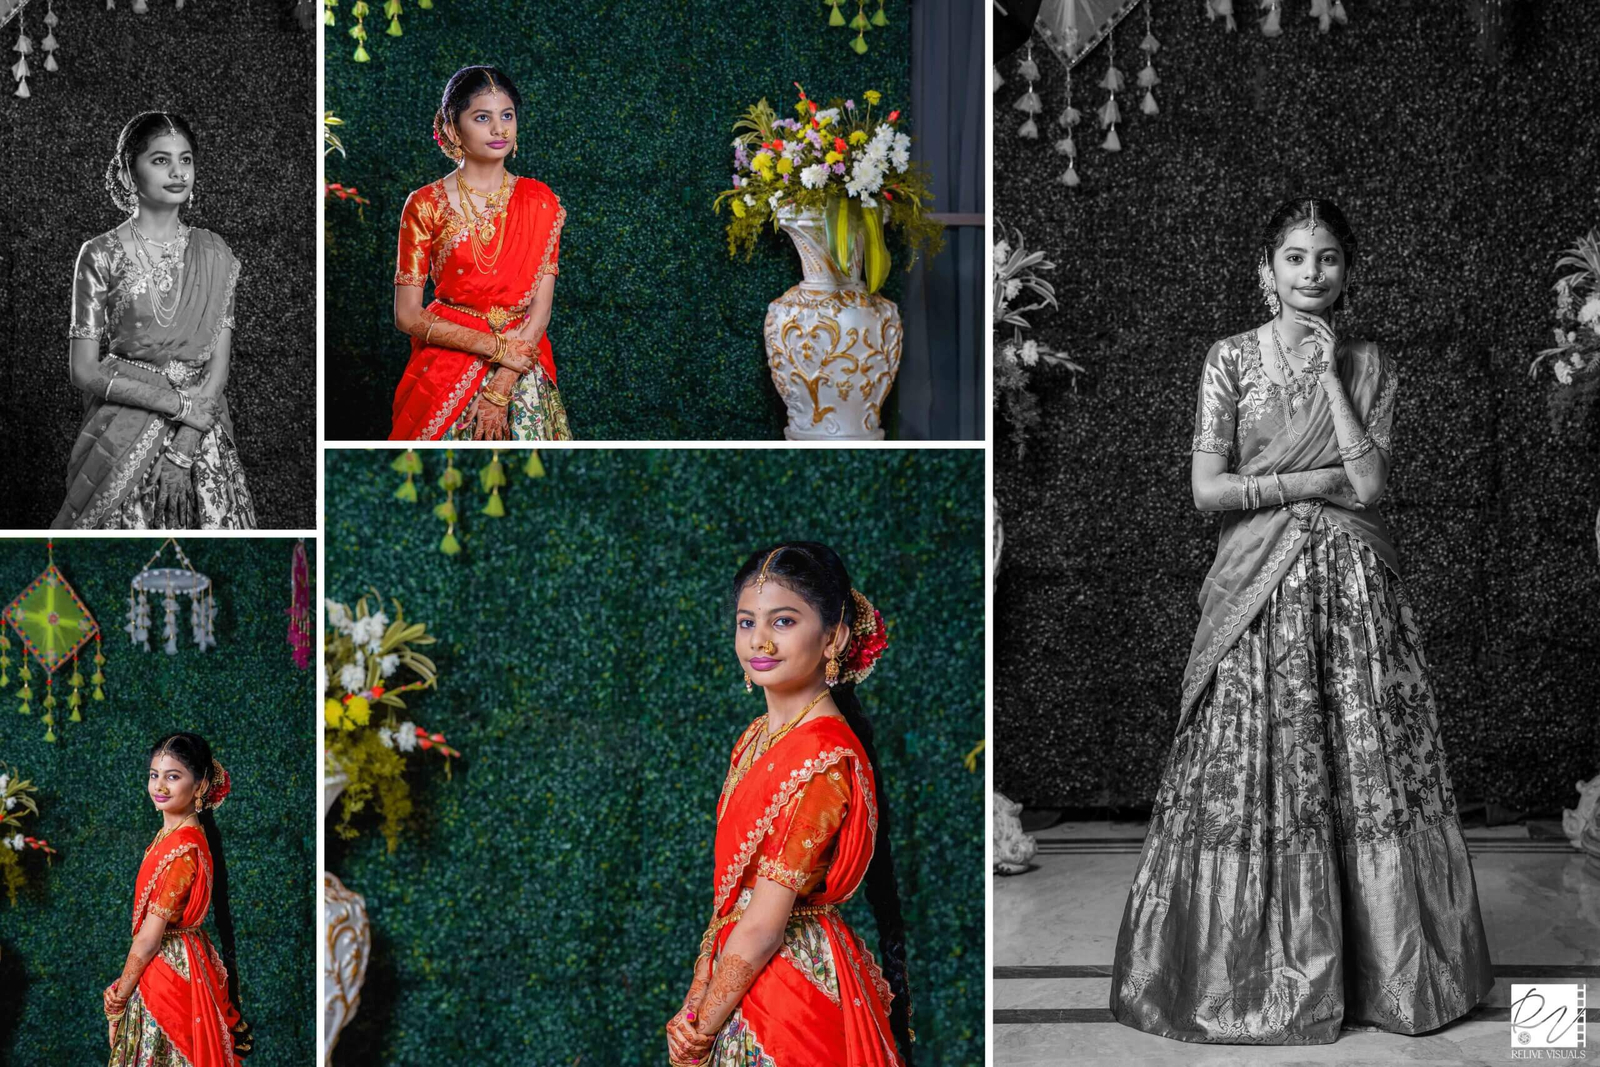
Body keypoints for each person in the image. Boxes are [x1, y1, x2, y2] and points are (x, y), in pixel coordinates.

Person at [1108, 198, 1494, 1043]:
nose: (1311, 273)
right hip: (1256, 588)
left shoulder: (1368, 363)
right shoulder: (1229, 360)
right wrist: (1302, 484)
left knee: (1363, 764)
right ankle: (1248, 968)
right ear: (1266, 270)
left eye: (1326, 259)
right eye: (1295, 258)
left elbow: (1370, 487)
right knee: (1262, 763)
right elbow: (1208, 489)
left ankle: (1382, 970)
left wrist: (1328, 380)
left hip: (1355, 592)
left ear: (1347, 272)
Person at [665, 543, 910, 1066]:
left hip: (788, 994)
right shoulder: (755, 738)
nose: (758, 640)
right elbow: (731, 906)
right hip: (738, 977)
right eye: (746, 621)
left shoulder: (822, 757)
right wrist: (695, 1002)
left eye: (782, 621)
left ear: (835, 636)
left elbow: (763, 925)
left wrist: (699, 1030)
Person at [55, 112, 257, 530]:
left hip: (201, 435)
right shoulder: (100, 254)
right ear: (129, 173)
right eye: (160, 160)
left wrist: (183, 448)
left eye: (185, 160)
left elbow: (218, 367)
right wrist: (177, 404)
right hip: (121, 433)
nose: (178, 172)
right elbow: (83, 369)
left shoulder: (215, 253)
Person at [389, 65, 572, 441]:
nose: (499, 129)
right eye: (482, 117)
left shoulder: (541, 201)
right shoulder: (425, 205)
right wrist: (495, 347)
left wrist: (501, 385)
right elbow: (407, 314)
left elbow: (541, 309)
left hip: (521, 367)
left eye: (507, 116)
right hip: (444, 367)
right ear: (454, 129)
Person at [106, 732, 253, 1065]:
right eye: (154, 775)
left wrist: (117, 1002)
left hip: (168, 975)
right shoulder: (172, 836)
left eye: (173, 776)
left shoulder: (183, 849)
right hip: (180, 962)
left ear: (199, 786)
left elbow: (148, 940)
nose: (159, 786)